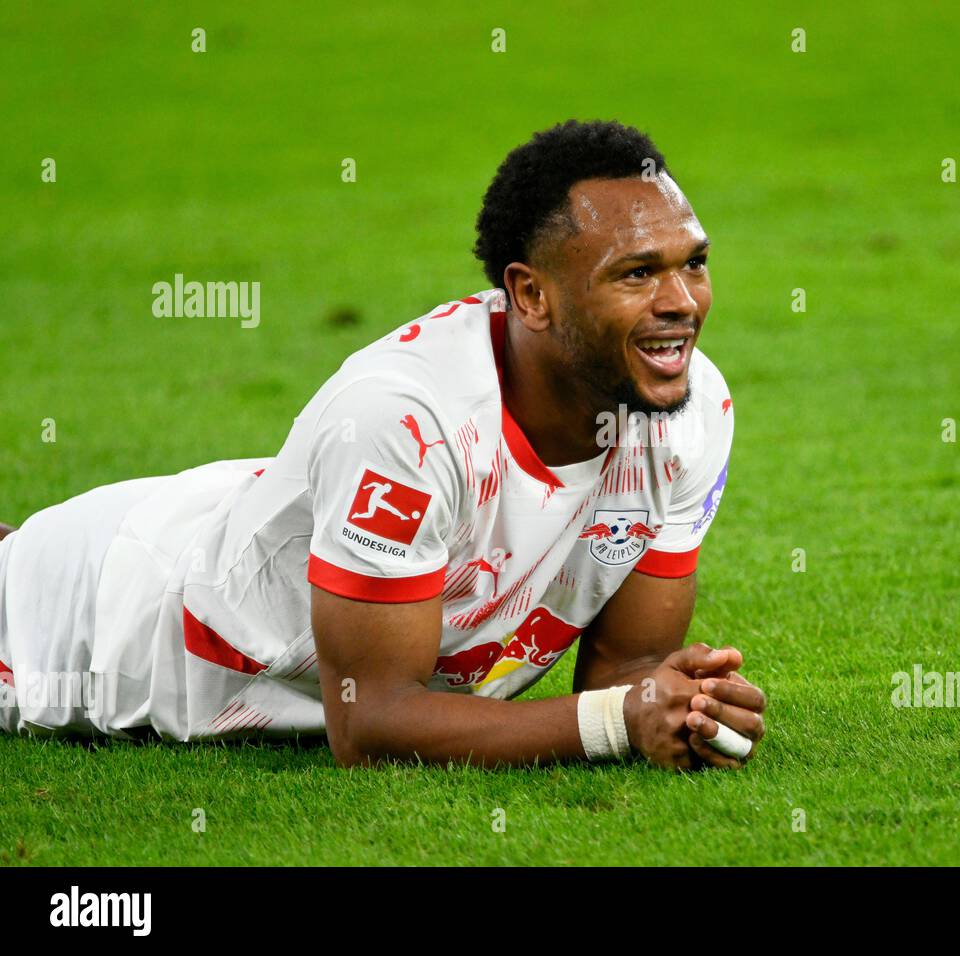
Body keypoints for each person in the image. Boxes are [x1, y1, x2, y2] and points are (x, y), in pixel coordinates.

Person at [0, 119, 766, 772]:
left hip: (239, 525)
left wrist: (684, 705)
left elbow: (626, 674)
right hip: (105, 617)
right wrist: (616, 722)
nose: (680, 304)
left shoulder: (689, 406)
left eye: (692, 263)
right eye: (636, 274)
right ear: (531, 294)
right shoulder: (405, 416)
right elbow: (372, 724)